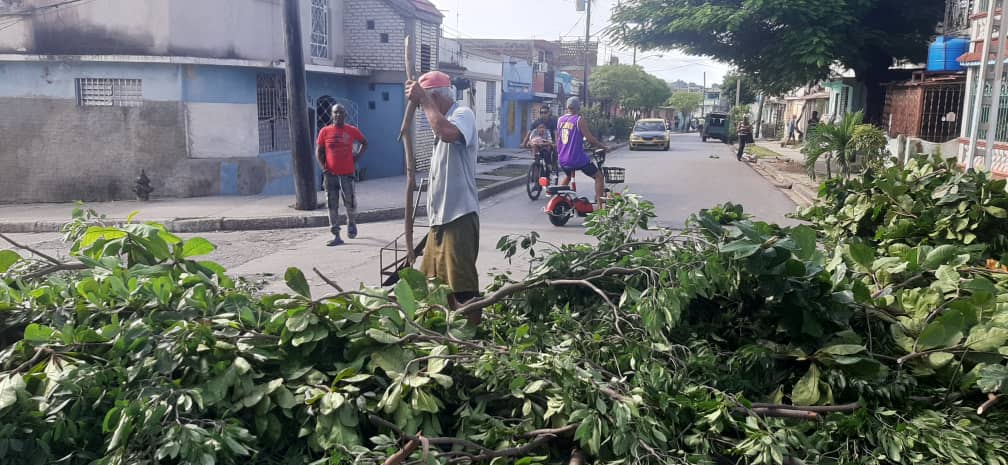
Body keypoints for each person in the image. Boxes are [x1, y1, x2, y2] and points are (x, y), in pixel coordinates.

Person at [405, 71, 482, 322]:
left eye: (424, 103)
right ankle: (443, 337)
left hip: (458, 217)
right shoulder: (440, 119)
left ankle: (471, 341)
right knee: (432, 288)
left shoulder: (462, 115)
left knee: (463, 289)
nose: (421, 110)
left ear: (436, 97)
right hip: (439, 222)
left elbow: (446, 132)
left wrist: (424, 100)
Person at [316, 104, 367, 246]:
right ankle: (336, 235)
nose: (338, 115)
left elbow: (364, 143)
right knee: (332, 205)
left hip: (347, 173)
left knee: (349, 202)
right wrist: (323, 167)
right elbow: (319, 151)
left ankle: (351, 222)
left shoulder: (351, 130)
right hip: (330, 175)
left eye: (341, 113)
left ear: (345, 115)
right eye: (335, 112)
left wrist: (356, 157)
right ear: (332, 115)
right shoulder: (325, 132)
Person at [556, 97, 608, 207]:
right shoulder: (579, 120)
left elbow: (559, 138)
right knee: (599, 176)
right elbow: (590, 139)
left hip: (562, 158)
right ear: (578, 107)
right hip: (576, 159)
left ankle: (558, 198)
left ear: (567, 107)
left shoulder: (560, 119)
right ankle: (600, 207)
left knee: (568, 176)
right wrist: (602, 146)